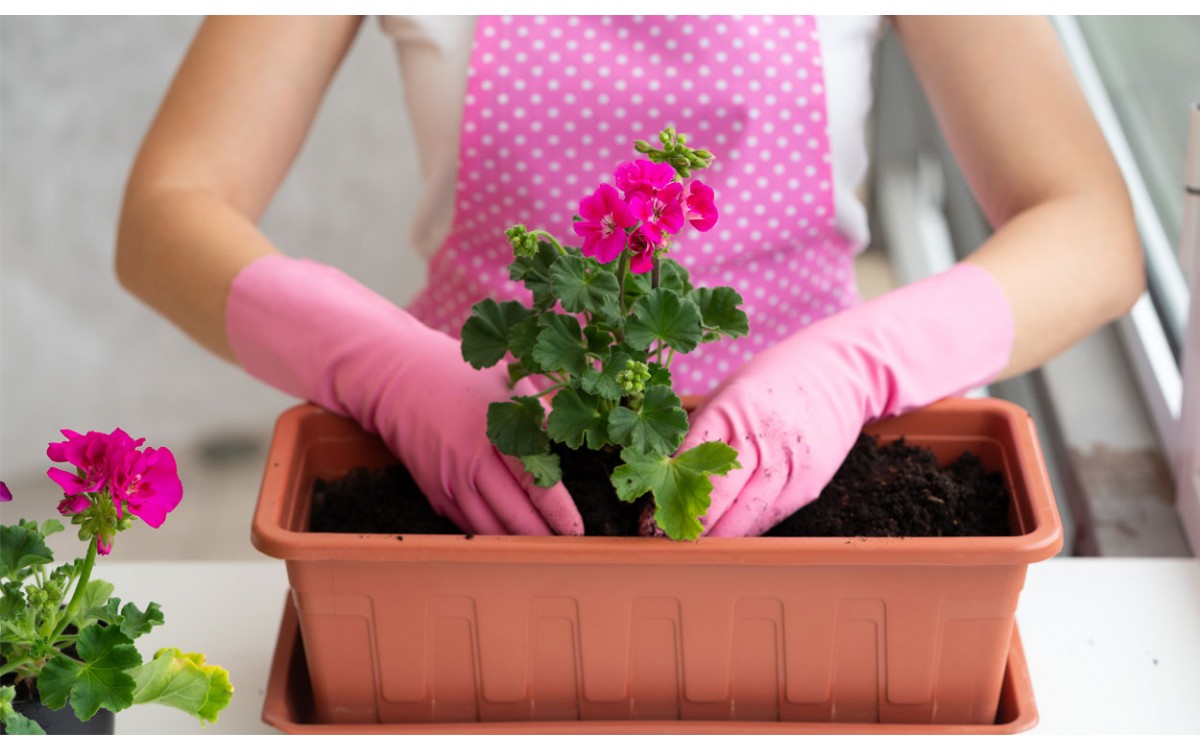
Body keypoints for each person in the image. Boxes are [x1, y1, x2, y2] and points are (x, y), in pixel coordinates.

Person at [116, 16, 1142, 537]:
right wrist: (386, 366)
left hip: (819, 459)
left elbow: (1092, 227)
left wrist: (856, 368)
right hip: (476, 456)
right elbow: (166, 214)